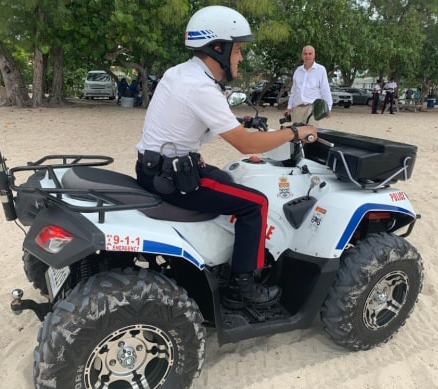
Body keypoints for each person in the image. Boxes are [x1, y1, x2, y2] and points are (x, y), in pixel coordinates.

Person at [135, 5, 317, 309]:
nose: (241, 58)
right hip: (172, 179)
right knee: (255, 203)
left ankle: (222, 255)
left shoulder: (181, 73)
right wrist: (296, 133)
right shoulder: (202, 87)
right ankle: (241, 287)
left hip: (158, 167)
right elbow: (246, 146)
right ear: (218, 48)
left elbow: (191, 125)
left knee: (227, 178)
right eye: (238, 50)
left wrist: (236, 123)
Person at [284, 45, 333, 124]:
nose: (307, 56)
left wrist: (329, 108)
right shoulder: (298, 71)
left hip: (313, 109)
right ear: (302, 55)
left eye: (310, 54)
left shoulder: (321, 70)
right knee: (297, 135)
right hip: (298, 108)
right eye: (305, 54)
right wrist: (289, 107)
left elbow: (325, 90)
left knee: (311, 135)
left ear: (314, 55)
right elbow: (293, 91)